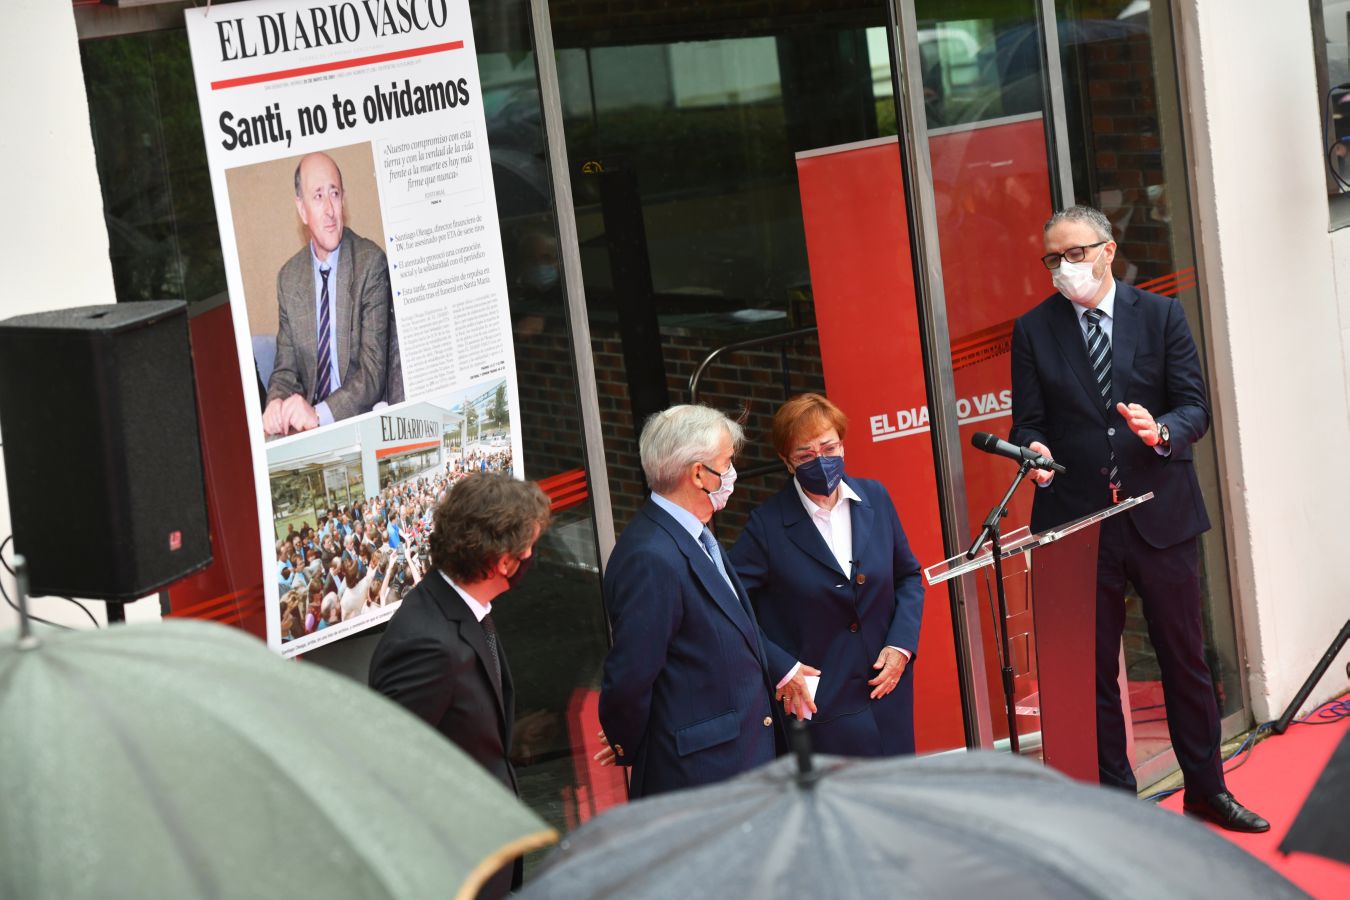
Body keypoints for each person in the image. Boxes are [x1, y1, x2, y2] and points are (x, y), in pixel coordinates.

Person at [1008, 205, 1268, 832]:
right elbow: (1029, 421)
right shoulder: (1034, 329)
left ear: (1107, 250)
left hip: (1160, 513)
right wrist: (1033, 453)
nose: (1063, 268)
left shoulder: (1161, 315)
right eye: (1052, 258)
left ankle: (1206, 789)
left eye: (1075, 254)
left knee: (1185, 660)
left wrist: (1161, 434)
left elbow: (1194, 409)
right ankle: (1120, 807)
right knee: (1094, 671)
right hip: (1078, 523)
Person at [596, 404, 815, 799]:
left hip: (740, 764)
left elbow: (729, 624)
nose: (732, 474)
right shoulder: (651, 556)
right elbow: (630, 677)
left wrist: (780, 667)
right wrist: (631, 743)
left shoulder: (692, 536)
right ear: (699, 474)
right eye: (726, 462)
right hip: (701, 777)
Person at [368, 472, 551, 899]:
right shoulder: (429, 646)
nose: (532, 555)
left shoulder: (467, 609)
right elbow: (387, 769)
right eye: (529, 547)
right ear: (502, 561)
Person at [731, 394, 924, 756]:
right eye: (805, 455)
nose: (820, 461)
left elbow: (908, 577)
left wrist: (901, 647)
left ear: (843, 445)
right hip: (823, 709)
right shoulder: (767, 526)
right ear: (787, 463)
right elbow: (729, 605)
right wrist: (781, 667)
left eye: (829, 447)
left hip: (886, 695)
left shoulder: (875, 497)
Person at [263, 151, 393, 436]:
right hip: (311, 430)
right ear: (301, 208)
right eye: (318, 196)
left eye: (334, 193)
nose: (330, 210)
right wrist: (275, 401)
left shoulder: (369, 263)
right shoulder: (289, 278)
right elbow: (286, 371)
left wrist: (319, 414)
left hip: (360, 418)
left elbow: (372, 374)